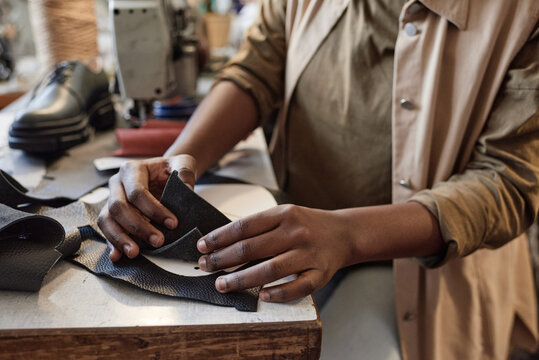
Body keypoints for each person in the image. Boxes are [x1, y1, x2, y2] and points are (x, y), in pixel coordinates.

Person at [97, 1, 539, 359]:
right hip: (298, 239)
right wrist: (179, 160)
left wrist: (348, 235)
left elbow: (509, 180)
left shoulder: (522, 13)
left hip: (430, 271)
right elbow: (256, 69)